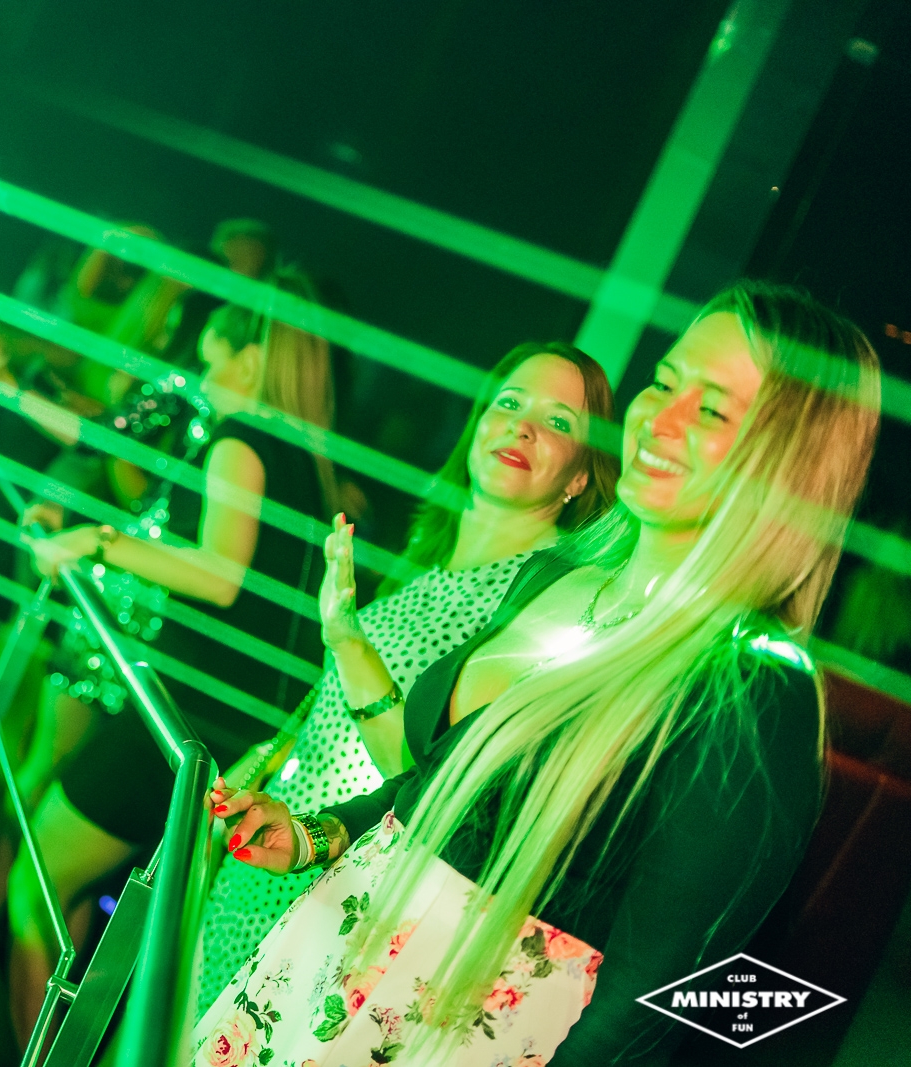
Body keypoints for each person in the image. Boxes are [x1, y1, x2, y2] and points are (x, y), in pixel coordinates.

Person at [200, 280, 880, 1065]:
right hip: (320, 973)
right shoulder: (554, 573)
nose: (660, 419)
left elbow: (656, 997)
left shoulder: (756, 688)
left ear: (787, 466)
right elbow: (442, 787)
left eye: (714, 411)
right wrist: (314, 833)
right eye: (665, 382)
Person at [195, 341, 619, 1010]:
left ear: (579, 478)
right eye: (509, 403)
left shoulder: (541, 607)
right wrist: (260, 767)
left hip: (338, 887)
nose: (522, 426)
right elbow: (331, 710)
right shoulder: (427, 560)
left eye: (558, 421)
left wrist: (347, 641)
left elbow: (429, 786)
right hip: (268, 849)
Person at [9, 270, 337, 1042]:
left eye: (212, 357)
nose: (202, 376)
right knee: (96, 909)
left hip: (179, 717)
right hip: (228, 728)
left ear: (249, 362)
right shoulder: (307, 463)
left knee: (34, 886)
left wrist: (94, 541)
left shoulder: (239, 440)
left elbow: (219, 573)